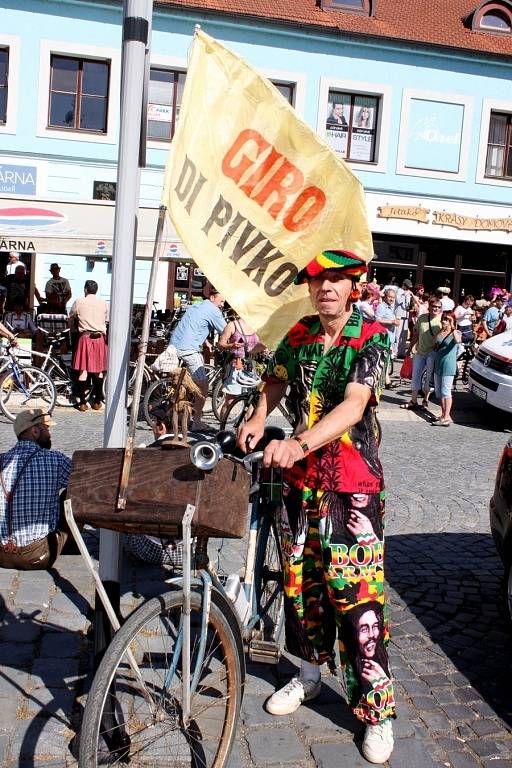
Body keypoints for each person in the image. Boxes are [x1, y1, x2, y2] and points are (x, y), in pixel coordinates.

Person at [238, 249, 395, 765]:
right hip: (299, 484)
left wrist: (299, 443)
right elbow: (276, 378)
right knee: (300, 586)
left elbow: (353, 404)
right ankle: (307, 676)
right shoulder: (302, 332)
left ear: (355, 286)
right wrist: (260, 416)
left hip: (350, 486)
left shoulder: (372, 337)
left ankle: (377, 712)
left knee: (356, 598)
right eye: (317, 281)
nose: (325, 288)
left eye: (337, 280)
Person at [0, 409, 71, 570]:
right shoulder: (55, 459)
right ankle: (70, 545)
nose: (50, 433)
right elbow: (82, 482)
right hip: (37, 556)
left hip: (1, 555)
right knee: (72, 494)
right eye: (47, 429)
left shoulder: (2, 460)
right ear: (35, 431)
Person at [125, 406, 184, 567]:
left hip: (147, 549)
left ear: (161, 427)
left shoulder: (144, 453)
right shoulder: (199, 455)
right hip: (188, 551)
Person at [169, 290, 227, 431]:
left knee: (187, 382)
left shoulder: (197, 306)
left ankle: (183, 414)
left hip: (175, 345)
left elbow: (194, 326)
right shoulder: (213, 311)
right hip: (188, 348)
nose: (222, 305)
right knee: (203, 386)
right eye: (221, 301)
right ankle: (197, 422)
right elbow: (227, 331)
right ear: (212, 298)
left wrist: (205, 341)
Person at [217, 313, 266, 423]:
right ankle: (222, 429)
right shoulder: (232, 325)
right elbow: (220, 344)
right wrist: (231, 346)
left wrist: (263, 348)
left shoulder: (257, 325)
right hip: (235, 367)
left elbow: (256, 346)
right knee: (230, 400)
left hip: (251, 369)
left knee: (250, 402)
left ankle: (244, 431)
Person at [69, 280, 108, 411]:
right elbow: (106, 320)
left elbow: (71, 317)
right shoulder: (103, 304)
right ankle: (97, 401)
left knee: (83, 371)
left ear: (86, 289)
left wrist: (74, 329)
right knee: (98, 372)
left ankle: (82, 403)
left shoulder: (79, 302)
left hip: (85, 338)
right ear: (96, 290)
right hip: (99, 338)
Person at [400, 296, 443, 410]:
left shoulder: (441, 321)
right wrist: (409, 350)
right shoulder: (422, 318)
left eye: (438, 307)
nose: (436, 309)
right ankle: (413, 401)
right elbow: (416, 335)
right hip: (420, 351)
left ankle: (425, 400)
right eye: (434, 306)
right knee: (415, 376)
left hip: (432, 353)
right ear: (429, 307)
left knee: (428, 378)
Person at [432, 311, 461, 427]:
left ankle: (446, 417)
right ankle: (443, 414)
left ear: (452, 321)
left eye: (448, 319)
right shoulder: (441, 332)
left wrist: (453, 327)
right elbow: (434, 340)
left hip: (448, 365)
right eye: (444, 319)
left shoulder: (455, 332)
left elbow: (458, 340)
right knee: (439, 391)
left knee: (446, 391)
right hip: (438, 363)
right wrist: (441, 330)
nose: (445, 321)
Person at [375, 288, 400, 382]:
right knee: (384, 359)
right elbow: (377, 320)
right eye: (390, 297)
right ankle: (386, 380)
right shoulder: (382, 307)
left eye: (393, 297)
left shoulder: (390, 308)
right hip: (383, 337)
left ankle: (385, 379)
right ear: (385, 296)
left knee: (386, 358)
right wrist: (392, 321)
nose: (392, 299)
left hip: (389, 337)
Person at [394, 279, 414, 357]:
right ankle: (395, 352)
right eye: (407, 287)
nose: (409, 289)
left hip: (406, 315)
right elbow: (398, 301)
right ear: (404, 285)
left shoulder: (408, 293)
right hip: (399, 315)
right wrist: (404, 295)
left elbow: (408, 305)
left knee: (404, 335)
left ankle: (401, 353)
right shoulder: (399, 291)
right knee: (397, 334)